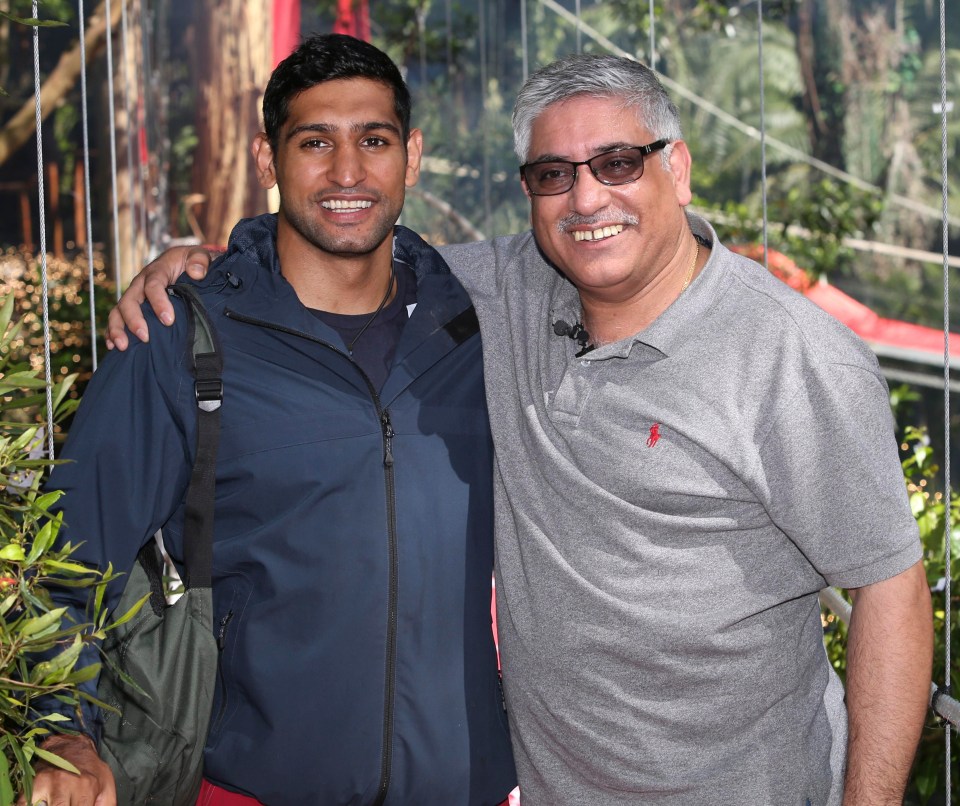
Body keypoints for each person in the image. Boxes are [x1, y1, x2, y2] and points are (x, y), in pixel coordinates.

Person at [110, 53, 934, 805]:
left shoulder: (790, 354)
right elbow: (337, 254)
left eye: (617, 162)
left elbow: (889, 587)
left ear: (676, 168)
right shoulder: (496, 293)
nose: (586, 199)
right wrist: (210, 265)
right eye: (553, 173)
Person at [26, 33, 517, 806]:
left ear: (411, 156)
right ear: (267, 161)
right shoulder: (182, 337)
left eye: (375, 141)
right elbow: (64, 561)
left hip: (468, 786)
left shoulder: (483, 325)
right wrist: (62, 730)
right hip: (252, 786)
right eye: (314, 142)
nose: (347, 172)